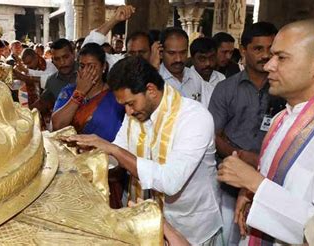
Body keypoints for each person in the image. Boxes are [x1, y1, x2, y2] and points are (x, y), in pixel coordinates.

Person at [68, 56, 223, 245]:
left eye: (130, 103)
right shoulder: (137, 114)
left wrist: (112, 150)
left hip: (191, 227)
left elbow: (170, 181)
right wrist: (87, 159)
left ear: (150, 90)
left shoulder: (195, 118)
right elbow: (118, 155)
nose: (128, 112)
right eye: (124, 105)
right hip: (146, 225)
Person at [217, 19, 314, 244]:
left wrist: (255, 183)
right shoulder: (281, 117)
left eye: (281, 57)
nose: (269, 65)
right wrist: (249, 192)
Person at [209, 21, 285, 246]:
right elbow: (214, 135)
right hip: (231, 183)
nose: (265, 56)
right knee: (230, 238)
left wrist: (262, 162)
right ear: (243, 50)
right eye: (258, 49)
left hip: (272, 181)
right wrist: (243, 157)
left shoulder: (283, 89)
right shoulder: (226, 89)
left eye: (271, 50)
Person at [52, 43, 124, 141]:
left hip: (106, 154)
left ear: (104, 67)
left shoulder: (116, 96)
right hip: (74, 153)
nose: (86, 71)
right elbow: (57, 126)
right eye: (82, 66)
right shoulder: (69, 91)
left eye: (91, 66)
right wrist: (80, 93)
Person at [82, 5, 161, 70]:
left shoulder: (163, 70)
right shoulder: (120, 64)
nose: (137, 57)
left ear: (152, 51)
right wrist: (114, 20)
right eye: (132, 53)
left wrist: (154, 68)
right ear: (126, 53)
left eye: (142, 52)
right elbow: (87, 50)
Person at [31, 38, 78, 128]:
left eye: (65, 57)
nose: (62, 62)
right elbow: (41, 103)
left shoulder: (87, 72)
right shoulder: (52, 81)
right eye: (57, 59)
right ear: (52, 60)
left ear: (73, 54)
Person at [159, 27, 207, 104]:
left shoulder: (194, 77)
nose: (178, 59)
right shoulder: (155, 80)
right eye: (172, 53)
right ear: (161, 53)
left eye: (183, 52)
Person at [189, 37, 226, 107]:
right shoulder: (186, 80)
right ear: (192, 59)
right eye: (202, 59)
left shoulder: (221, 78)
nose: (208, 63)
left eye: (212, 58)